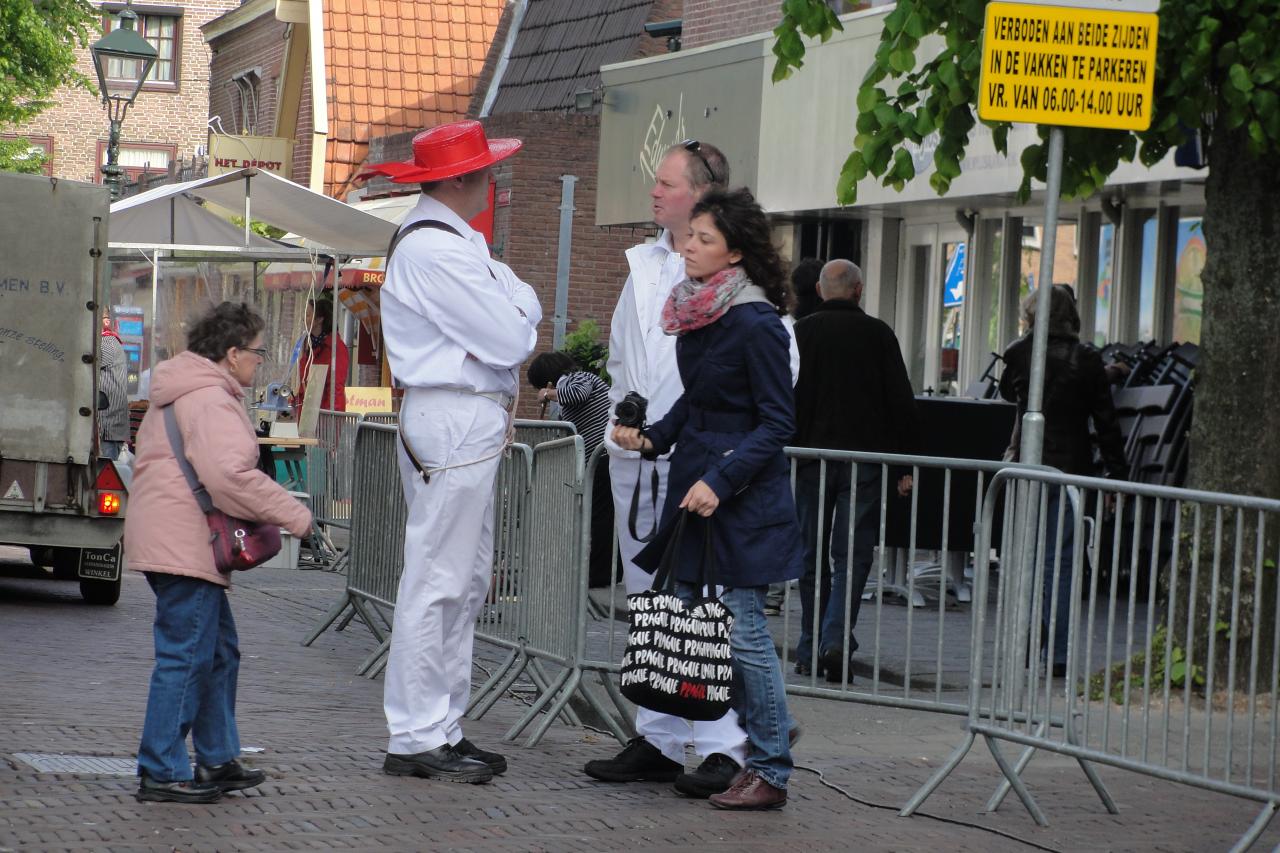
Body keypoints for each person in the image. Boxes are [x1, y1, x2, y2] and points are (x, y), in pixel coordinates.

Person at [359, 119, 541, 784]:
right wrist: (513, 307)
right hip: (455, 410)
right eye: (487, 170)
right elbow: (512, 332)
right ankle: (415, 730)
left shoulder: (449, 242)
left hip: (460, 412)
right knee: (440, 576)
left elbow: (515, 314)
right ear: (464, 178)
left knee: (459, 579)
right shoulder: (439, 250)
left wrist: (511, 308)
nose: (494, 179)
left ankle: (437, 725)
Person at [616, 187, 803, 810]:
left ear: (735, 254)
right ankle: (743, 740)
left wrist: (721, 481)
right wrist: (650, 440)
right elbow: (697, 403)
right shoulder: (697, 311)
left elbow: (778, 423)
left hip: (741, 496)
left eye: (703, 239)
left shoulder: (756, 322)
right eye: (688, 235)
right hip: (696, 489)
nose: (687, 246)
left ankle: (771, 768)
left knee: (745, 633)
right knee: (703, 631)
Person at [587, 139, 754, 799]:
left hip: (702, 463)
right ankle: (657, 734)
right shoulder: (646, 263)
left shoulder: (738, 276)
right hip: (640, 460)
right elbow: (626, 359)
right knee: (650, 602)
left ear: (702, 195)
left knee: (706, 607)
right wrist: (620, 431)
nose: (653, 192)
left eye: (665, 183)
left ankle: (722, 743)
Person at [125, 302, 313, 804]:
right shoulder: (209, 399)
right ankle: (162, 768)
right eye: (256, 351)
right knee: (187, 657)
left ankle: (216, 758)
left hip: (173, 537)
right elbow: (229, 476)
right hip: (184, 543)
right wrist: (296, 516)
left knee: (217, 652)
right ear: (231, 354)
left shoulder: (184, 390)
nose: (260, 360)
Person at [792, 260, 920, 681]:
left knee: (811, 555)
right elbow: (900, 401)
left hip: (810, 460)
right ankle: (834, 640)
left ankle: (812, 646)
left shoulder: (802, 334)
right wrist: (904, 463)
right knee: (852, 556)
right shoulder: (879, 334)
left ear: (819, 288)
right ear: (858, 290)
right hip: (864, 462)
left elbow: (785, 397)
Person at [999, 285, 1127, 676]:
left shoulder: (1020, 353)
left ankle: (1024, 637)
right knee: (1063, 561)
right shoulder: (1088, 359)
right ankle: (1056, 653)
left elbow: (1007, 393)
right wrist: (1116, 476)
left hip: (1028, 466)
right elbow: (1105, 422)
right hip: (1071, 468)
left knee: (1025, 558)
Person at [765, 257, 825, 615]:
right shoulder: (787, 330)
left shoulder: (791, 331)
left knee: (780, 515)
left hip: (786, 439)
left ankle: (773, 591)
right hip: (804, 442)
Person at [527, 352, 616, 587]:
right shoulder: (576, 379)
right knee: (602, 516)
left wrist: (548, 393)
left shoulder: (577, 378)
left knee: (599, 518)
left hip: (602, 458)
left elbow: (577, 394)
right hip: (599, 459)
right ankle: (605, 572)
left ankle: (598, 575)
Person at [295, 297, 350, 412]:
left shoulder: (336, 349)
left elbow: (335, 389)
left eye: (308, 315)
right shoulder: (310, 346)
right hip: (306, 415)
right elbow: (303, 388)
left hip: (324, 418)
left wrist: (330, 421)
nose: (303, 319)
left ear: (319, 319)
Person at [99, 318, 130, 459]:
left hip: (108, 424)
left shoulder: (106, 342)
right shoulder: (112, 341)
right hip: (111, 425)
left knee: (104, 475)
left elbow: (85, 364)